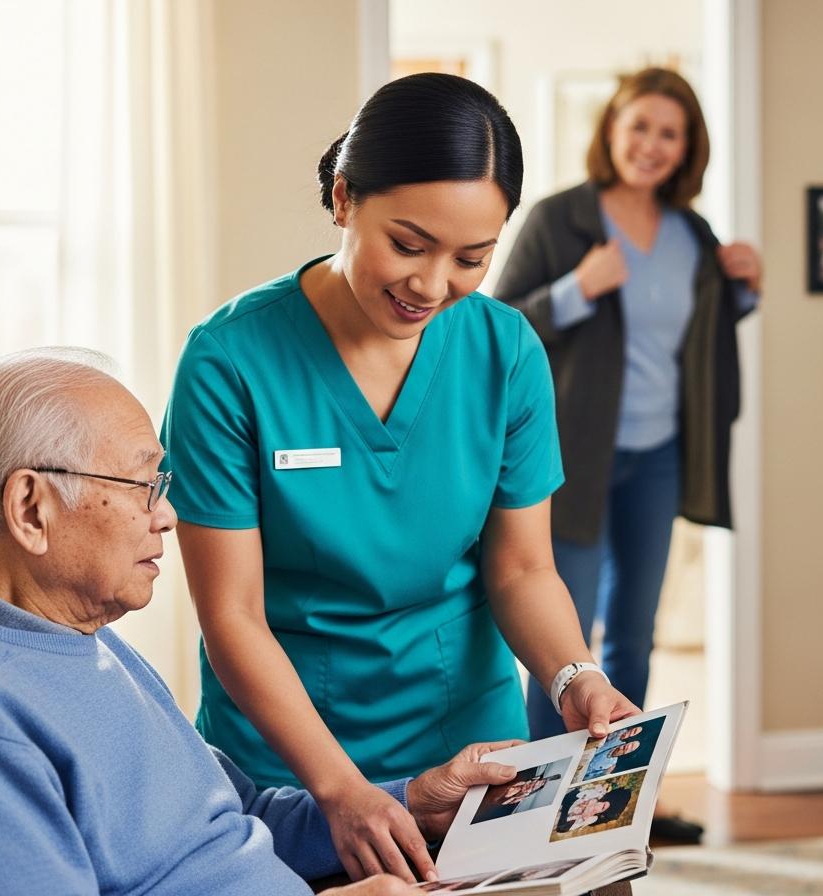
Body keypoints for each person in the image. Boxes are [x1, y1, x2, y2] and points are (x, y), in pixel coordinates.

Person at [161, 72, 638, 882]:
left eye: (471, 258)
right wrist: (341, 790)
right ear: (344, 198)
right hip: (296, 762)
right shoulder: (229, 362)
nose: (431, 285)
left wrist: (573, 675)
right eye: (408, 244)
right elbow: (232, 615)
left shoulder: (506, 353)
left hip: (471, 751)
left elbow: (523, 568)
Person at [0, 348, 518, 896]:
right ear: (31, 509)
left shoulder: (87, 641)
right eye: (144, 486)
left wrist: (414, 801)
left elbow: (237, 819)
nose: (167, 517)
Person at [493, 67, 760, 844]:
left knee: (634, 638)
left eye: (668, 133)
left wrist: (744, 290)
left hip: (659, 457)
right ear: (612, 129)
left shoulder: (692, 234)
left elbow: (702, 336)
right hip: (570, 464)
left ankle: (618, 805)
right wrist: (576, 288)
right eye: (638, 126)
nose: (650, 144)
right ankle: (539, 810)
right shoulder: (559, 219)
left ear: (687, 150)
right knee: (563, 648)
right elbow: (499, 324)